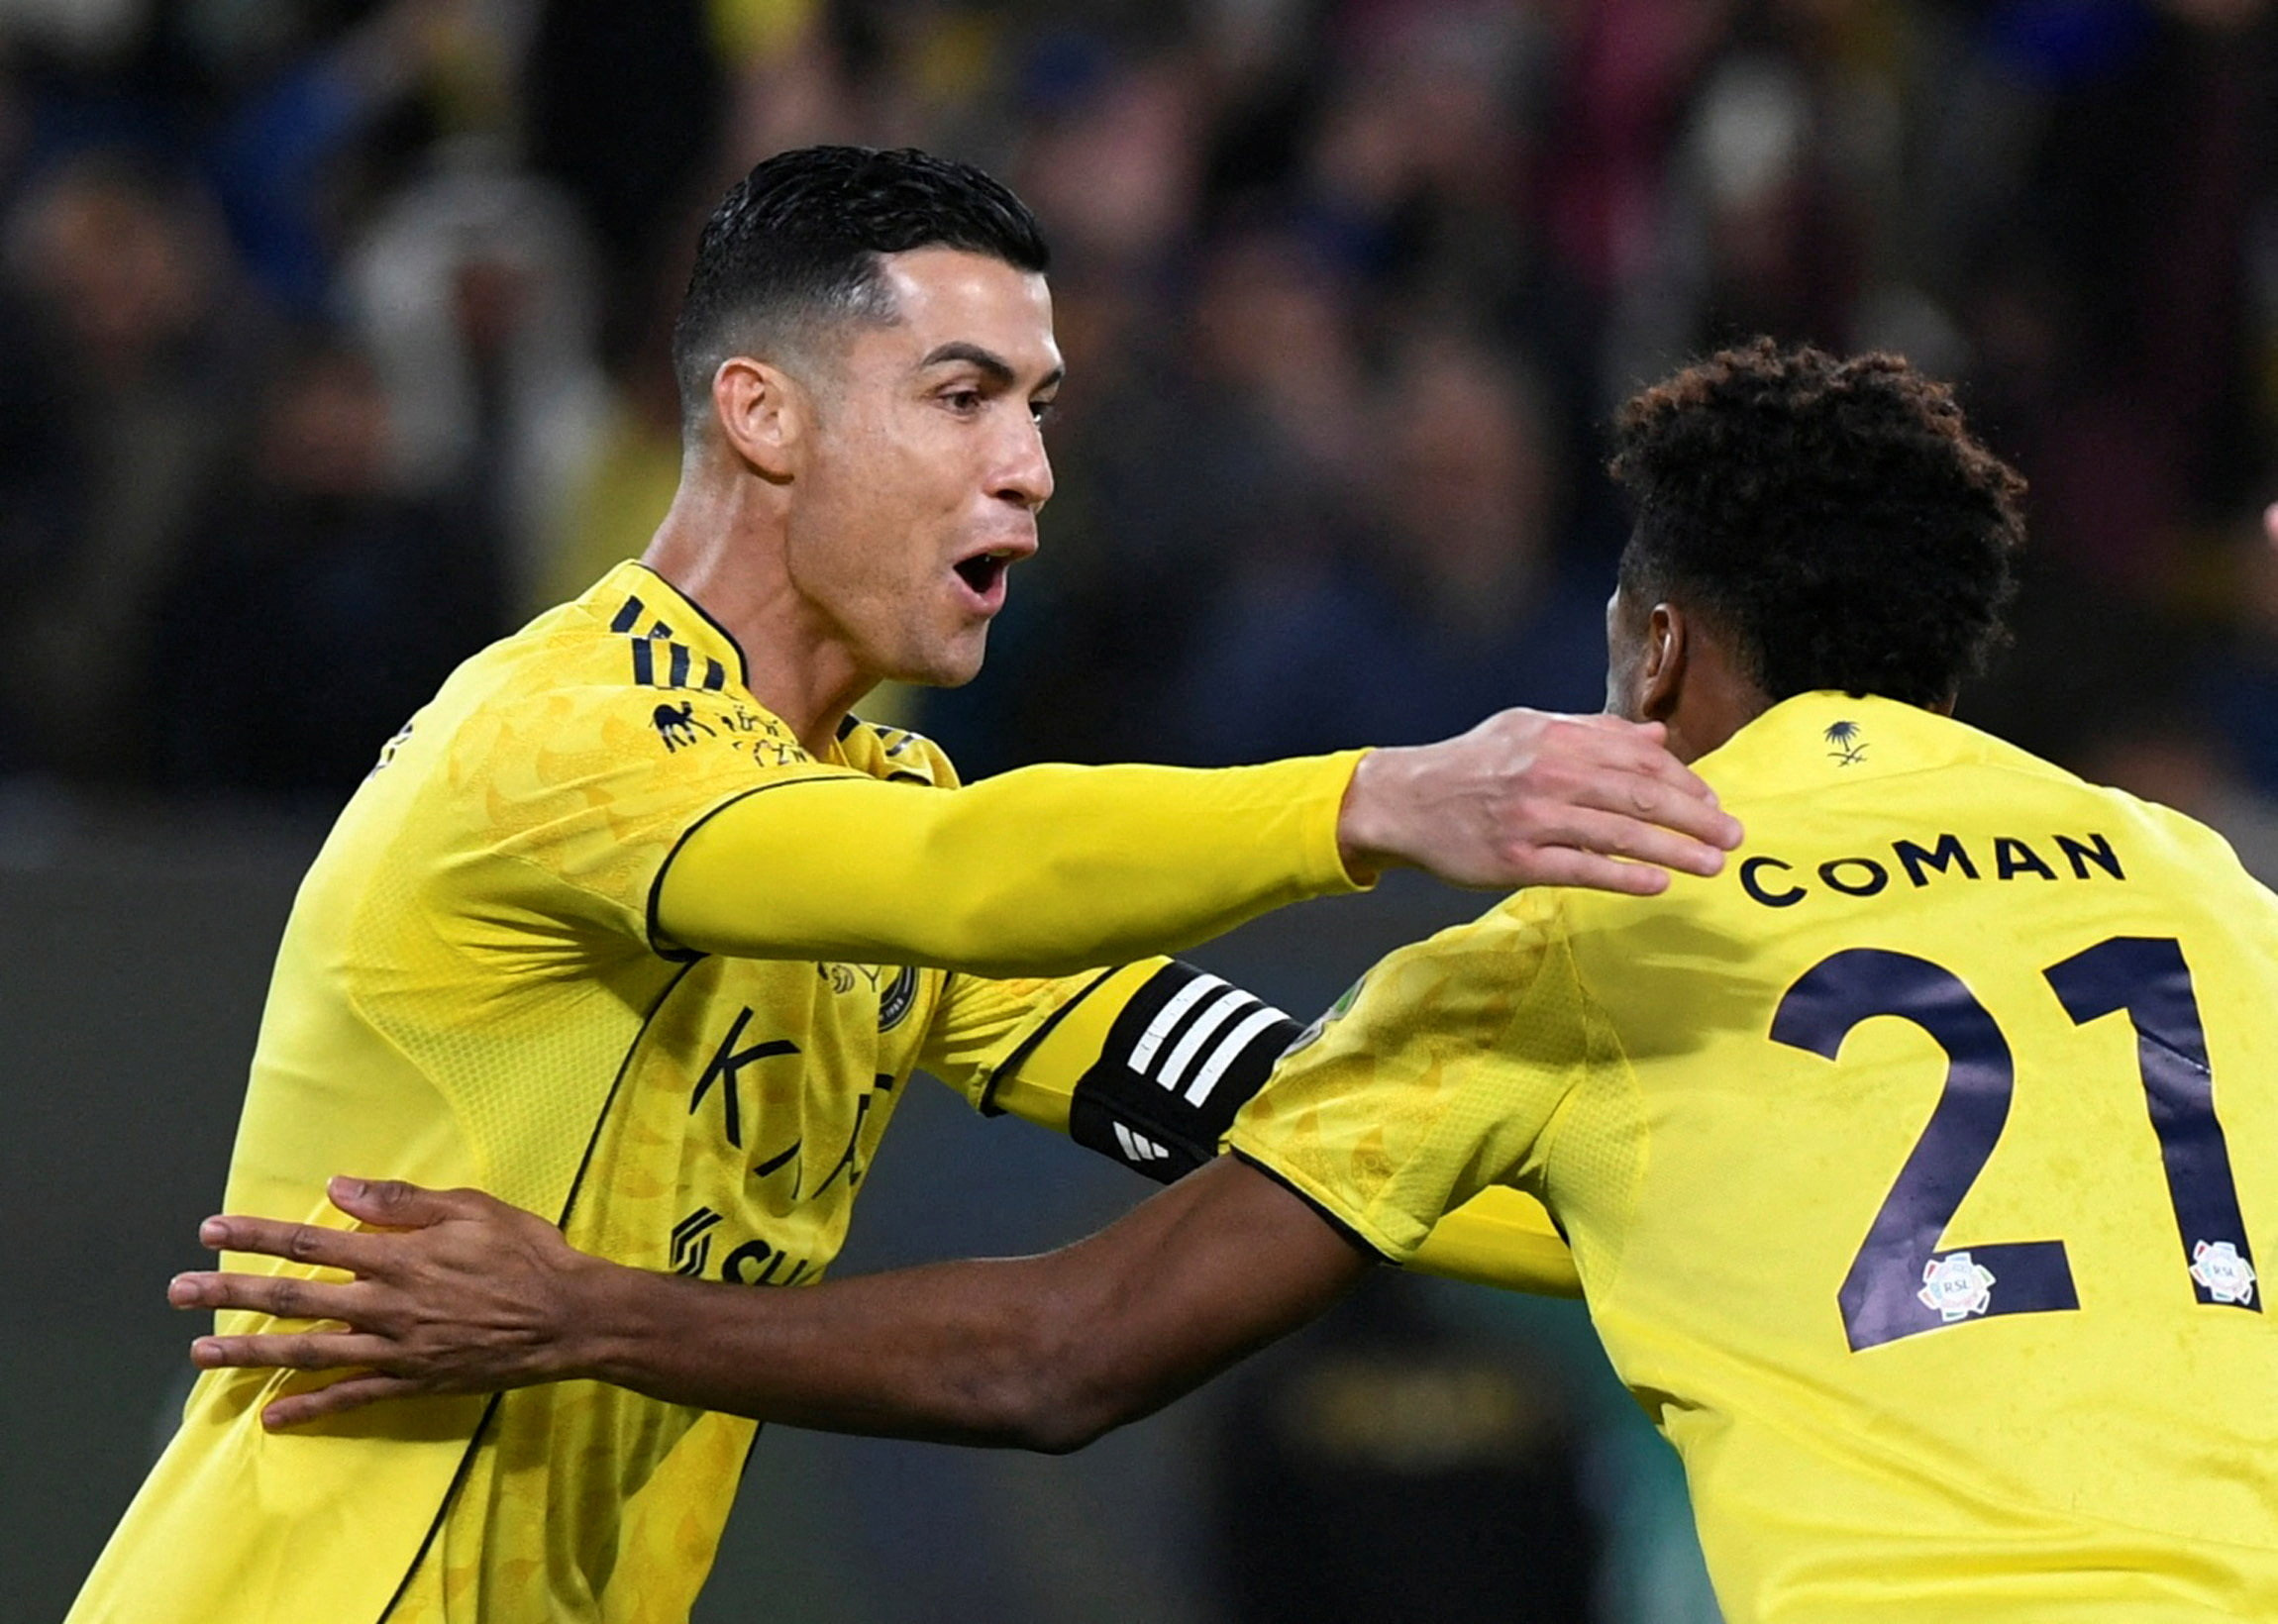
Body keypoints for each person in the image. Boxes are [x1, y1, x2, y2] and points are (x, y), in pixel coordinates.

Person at [186, 342, 2278, 1622]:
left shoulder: (1579, 944)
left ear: (1647, 655)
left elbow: (1062, 1354)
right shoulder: (2209, 893)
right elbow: (1761, 1211)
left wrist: (578, 1310)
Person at [71, 146, 1739, 1624]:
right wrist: (1384, 796)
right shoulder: (558, 739)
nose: (1029, 468)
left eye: (1040, 408)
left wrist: (1730, 1246)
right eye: (961, 398)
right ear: (762, 412)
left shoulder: (869, 805)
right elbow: (959, 882)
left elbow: (1314, 1124)